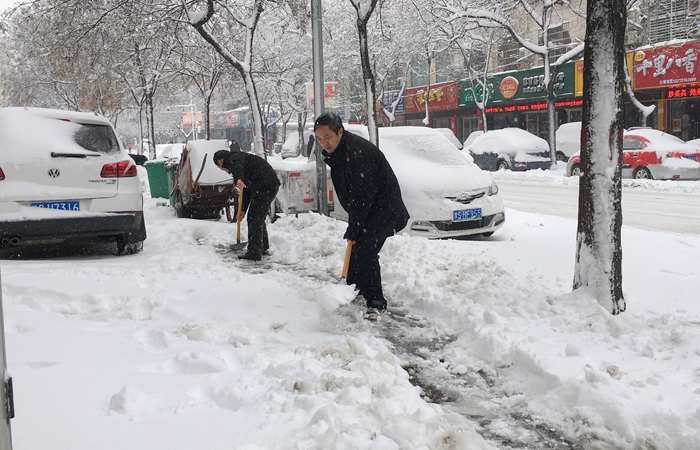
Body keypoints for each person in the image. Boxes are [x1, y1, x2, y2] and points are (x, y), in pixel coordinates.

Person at [314, 112, 409, 320]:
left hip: (383, 207)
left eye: (327, 137)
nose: (323, 143)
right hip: (370, 207)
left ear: (340, 132)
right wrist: (356, 224)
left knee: (365, 251)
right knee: (358, 248)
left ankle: (376, 302)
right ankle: (353, 288)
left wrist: (355, 226)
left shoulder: (357, 153)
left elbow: (362, 196)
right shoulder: (341, 150)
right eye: (319, 138)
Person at [213, 149, 280, 261]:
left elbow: (237, 165)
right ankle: (262, 246)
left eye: (219, 167)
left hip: (265, 185)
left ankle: (254, 252)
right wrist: (243, 209)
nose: (224, 171)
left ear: (220, 161)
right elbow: (246, 192)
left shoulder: (234, 157)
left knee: (254, 218)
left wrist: (238, 179)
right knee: (257, 217)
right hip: (266, 185)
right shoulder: (243, 166)